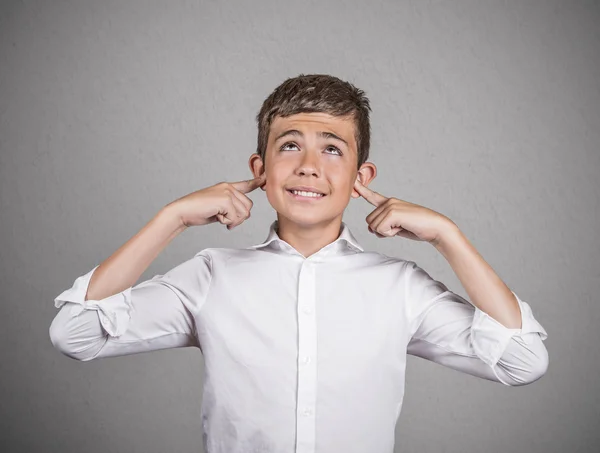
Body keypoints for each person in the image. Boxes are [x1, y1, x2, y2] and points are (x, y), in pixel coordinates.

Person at [49, 74, 549, 453]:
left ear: (360, 175)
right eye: (290, 145)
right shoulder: (210, 276)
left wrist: (447, 235)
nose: (309, 164)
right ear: (260, 169)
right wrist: (172, 218)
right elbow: (74, 333)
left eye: (332, 149)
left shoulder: (400, 287)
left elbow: (522, 361)